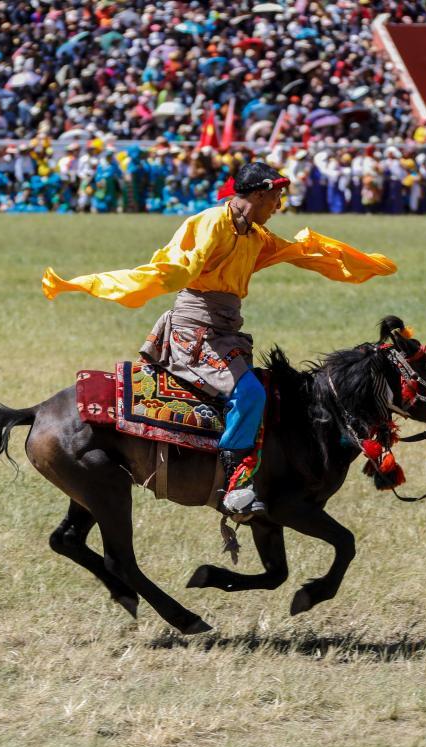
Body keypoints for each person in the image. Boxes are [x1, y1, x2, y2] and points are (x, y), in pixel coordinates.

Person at [41, 162, 397, 517]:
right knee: (250, 393)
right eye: (275, 198)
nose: (278, 206)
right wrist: (165, 275)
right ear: (258, 193)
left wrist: (364, 264)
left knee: (266, 396)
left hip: (225, 333)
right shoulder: (213, 222)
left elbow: (304, 253)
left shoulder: (257, 236)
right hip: (195, 331)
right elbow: (179, 264)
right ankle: (234, 483)